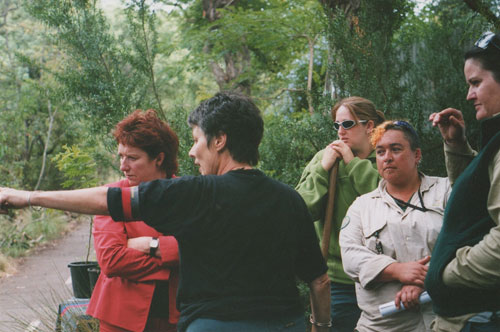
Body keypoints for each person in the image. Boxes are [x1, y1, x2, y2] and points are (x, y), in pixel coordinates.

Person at [0, 92, 331, 332]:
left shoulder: (195, 194)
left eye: (197, 139)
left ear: (220, 141)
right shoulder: (289, 199)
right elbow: (318, 279)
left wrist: (28, 196)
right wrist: (320, 326)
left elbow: (108, 200)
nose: (191, 151)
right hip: (286, 324)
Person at [339, 120, 451, 331]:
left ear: (417, 155)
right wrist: (397, 270)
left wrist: (423, 279)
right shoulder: (362, 207)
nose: (387, 157)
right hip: (381, 326)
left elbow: (463, 242)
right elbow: (351, 257)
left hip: (441, 322)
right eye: (380, 152)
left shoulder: (445, 191)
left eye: (396, 149)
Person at [426, 31, 500, 332]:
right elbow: (476, 210)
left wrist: (449, 271)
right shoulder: (494, 140)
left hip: (476, 319)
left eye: (476, 83)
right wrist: (457, 147)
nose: (469, 95)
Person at [296, 96, 385, 331]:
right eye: (337, 125)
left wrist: (353, 163)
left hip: (382, 277)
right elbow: (301, 210)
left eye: (348, 124)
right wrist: (323, 169)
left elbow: (386, 204)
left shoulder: (385, 159)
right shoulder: (324, 160)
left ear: (369, 126)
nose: (340, 132)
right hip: (337, 280)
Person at [86, 110, 180, 332]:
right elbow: (111, 260)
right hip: (120, 318)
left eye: (132, 158)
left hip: (176, 317)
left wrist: (150, 245)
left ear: (159, 158)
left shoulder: (185, 193)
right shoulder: (111, 196)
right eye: (121, 156)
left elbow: (197, 247)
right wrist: (173, 260)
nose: (122, 166)